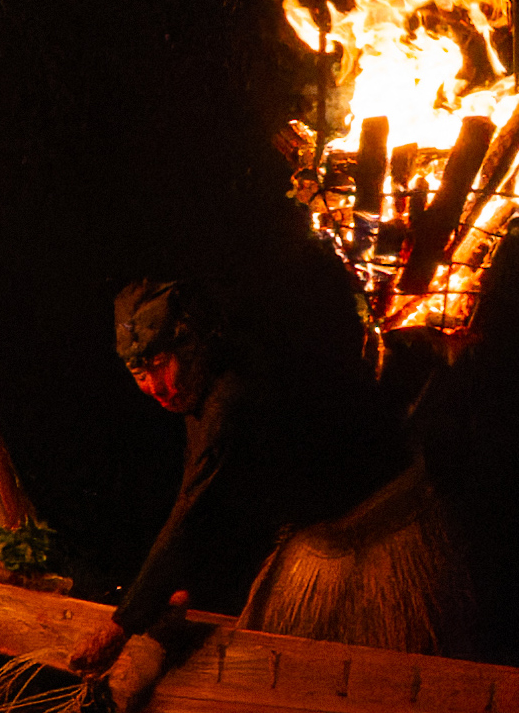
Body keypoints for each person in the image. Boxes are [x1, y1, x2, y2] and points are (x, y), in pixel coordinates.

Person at [66, 279, 402, 674]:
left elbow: (196, 512)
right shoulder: (197, 391)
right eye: (140, 375)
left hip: (351, 530)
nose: (155, 388)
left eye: (160, 367)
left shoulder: (231, 397)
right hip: (283, 529)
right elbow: (216, 501)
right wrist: (176, 588)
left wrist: (118, 629)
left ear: (191, 351)